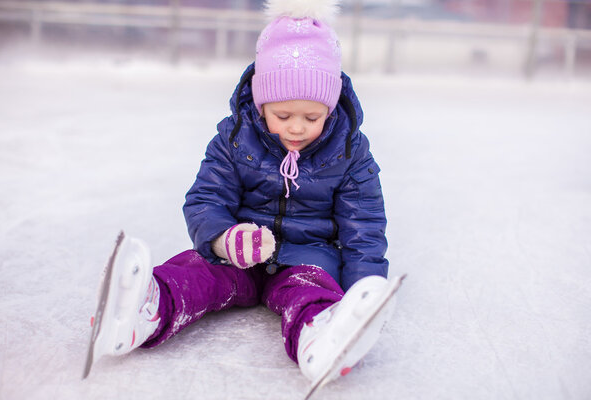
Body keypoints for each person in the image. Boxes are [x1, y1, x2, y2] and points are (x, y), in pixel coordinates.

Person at [85, 0, 403, 387]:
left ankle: (322, 333)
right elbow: (206, 199)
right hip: (240, 255)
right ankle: (148, 308)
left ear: (332, 109)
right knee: (195, 271)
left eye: (312, 117)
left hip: (308, 257)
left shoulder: (350, 152)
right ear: (260, 102)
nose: (298, 128)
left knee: (310, 291)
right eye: (283, 116)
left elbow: (364, 226)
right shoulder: (234, 141)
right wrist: (223, 240)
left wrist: (361, 294)